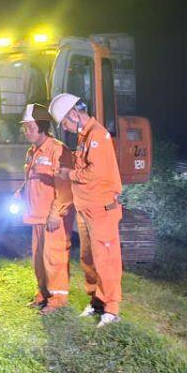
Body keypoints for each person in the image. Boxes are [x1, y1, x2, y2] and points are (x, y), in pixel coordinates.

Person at [49, 92, 125, 327]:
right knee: (89, 259)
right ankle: (96, 302)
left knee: (106, 260)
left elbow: (96, 173)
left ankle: (111, 309)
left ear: (74, 114)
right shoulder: (84, 138)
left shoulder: (97, 135)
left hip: (101, 210)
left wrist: (68, 174)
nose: (66, 129)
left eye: (65, 124)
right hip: (87, 209)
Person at [16, 104, 74, 313]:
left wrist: (56, 212)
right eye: (25, 127)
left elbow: (65, 186)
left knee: (54, 258)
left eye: (30, 127)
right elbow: (31, 179)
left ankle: (58, 301)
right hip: (36, 216)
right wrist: (21, 192)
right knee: (39, 259)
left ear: (41, 126)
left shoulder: (58, 150)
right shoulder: (32, 152)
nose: (26, 131)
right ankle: (43, 295)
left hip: (53, 217)